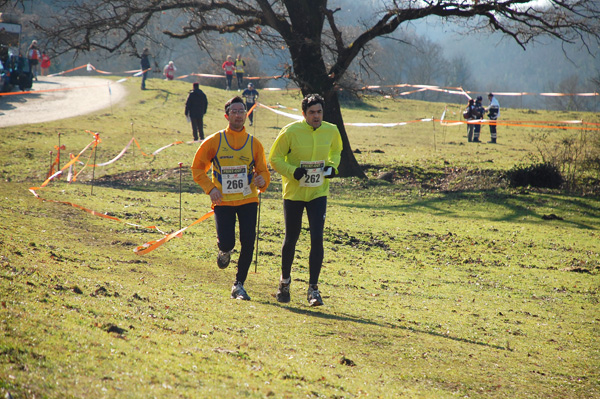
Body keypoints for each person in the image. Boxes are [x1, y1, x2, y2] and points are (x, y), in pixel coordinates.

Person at [191, 96, 270, 301]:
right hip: (223, 201)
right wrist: (210, 189)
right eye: (234, 111)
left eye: (241, 111)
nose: (238, 114)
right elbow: (197, 168)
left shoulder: (254, 144)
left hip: (248, 200)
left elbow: (263, 172)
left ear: (246, 115)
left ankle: (239, 285)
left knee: (248, 241)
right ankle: (224, 250)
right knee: (227, 241)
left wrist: (263, 181)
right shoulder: (214, 141)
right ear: (227, 116)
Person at [268, 93, 343, 306]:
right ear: (304, 114)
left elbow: (336, 150)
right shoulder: (290, 132)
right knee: (291, 237)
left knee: (317, 238)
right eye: (312, 113)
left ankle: (313, 289)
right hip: (294, 193)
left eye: (319, 112)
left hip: (318, 192)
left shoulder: (332, 130)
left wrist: (332, 166)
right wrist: (293, 172)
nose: (316, 116)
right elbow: (274, 159)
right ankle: (284, 283)